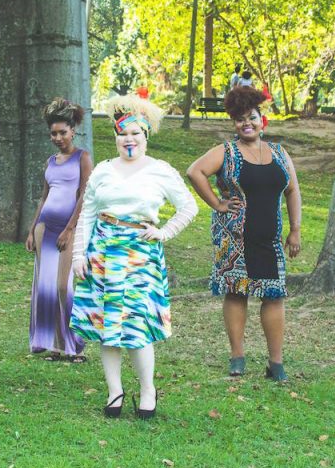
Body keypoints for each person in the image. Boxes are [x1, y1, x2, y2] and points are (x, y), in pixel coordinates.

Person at [71, 96, 197, 418]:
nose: (129, 140)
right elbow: (87, 213)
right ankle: (114, 391)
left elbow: (189, 207)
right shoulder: (102, 170)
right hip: (102, 252)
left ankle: (147, 390)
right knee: (106, 326)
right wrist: (78, 256)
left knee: (136, 328)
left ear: (145, 136)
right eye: (123, 134)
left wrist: (164, 233)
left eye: (135, 134)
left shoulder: (160, 171)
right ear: (116, 137)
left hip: (140, 255)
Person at [186, 86, 301, 381]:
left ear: (262, 120)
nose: (246, 124)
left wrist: (295, 230)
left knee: (273, 295)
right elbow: (194, 172)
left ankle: (276, 363)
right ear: (234, 124)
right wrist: (217, 203)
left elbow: (292, 190)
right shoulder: (226, 152)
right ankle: (237, 357)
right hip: (234, 237)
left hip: (270, 238)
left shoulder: (279, 152)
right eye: (239, 120)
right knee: (237, 293)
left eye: (251, 117)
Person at [25, 98, 93, 361]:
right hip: (45, 226)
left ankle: (73, 343)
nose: (58, 137)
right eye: (53, 133)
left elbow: (83, 195)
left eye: (62, 132)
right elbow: (43, 198)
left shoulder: (82, 158)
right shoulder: (51, 161)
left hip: (68, 228)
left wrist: (70, 229)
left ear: (72, 131)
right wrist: (32, 230)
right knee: (46, 287)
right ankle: (53, 344)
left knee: (63, 287)